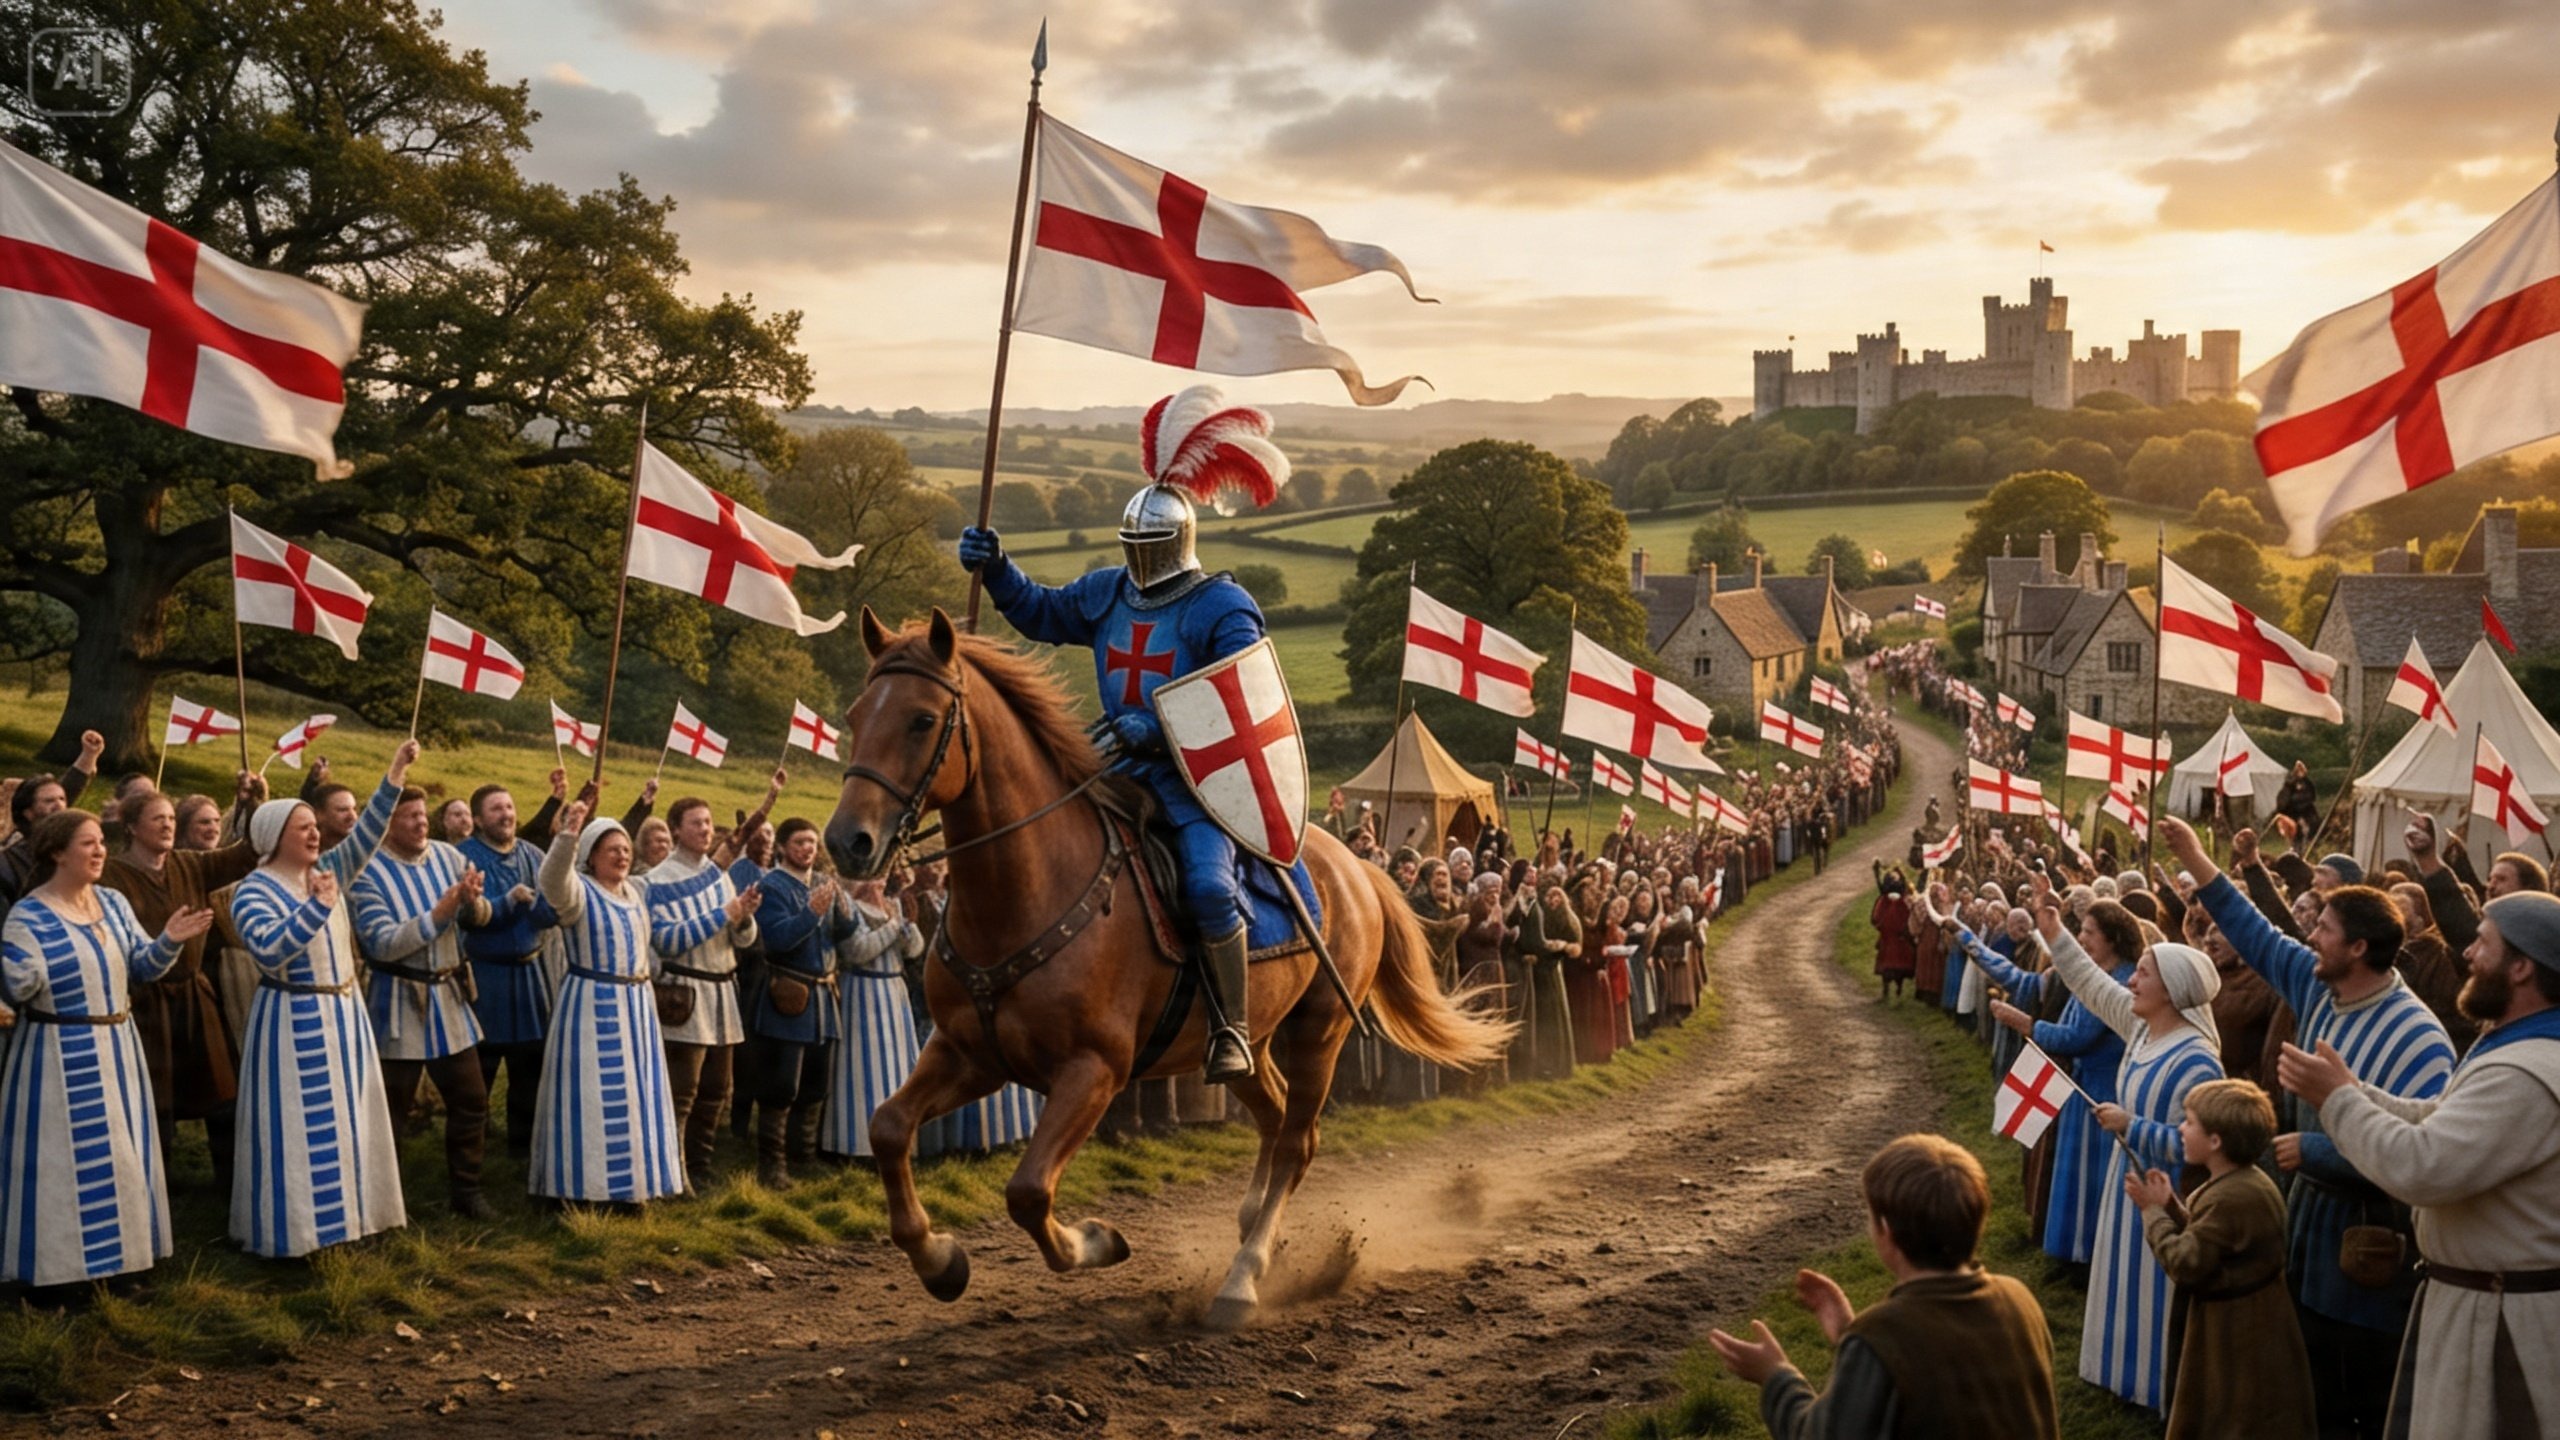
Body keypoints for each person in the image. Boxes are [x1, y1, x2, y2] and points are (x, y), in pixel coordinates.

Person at [956, 385, 1308, 1084]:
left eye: (1151, 545)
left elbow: (1243, 701)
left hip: (1195, 784)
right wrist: (998, 571)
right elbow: (1040, 612)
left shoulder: (1222, 605)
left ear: (1179, 540)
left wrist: (1162, 730)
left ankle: (1231, 1029)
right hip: (1109, 764)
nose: (1141, 558)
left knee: (1207, 889)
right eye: (1133, 545)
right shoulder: (1107, 591)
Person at [2164, 815, 2456, 1439]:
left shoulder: (2420, 1040)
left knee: (2354, 1403)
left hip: (2366, 1266)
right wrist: (2195, 856)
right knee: (2307, 1395)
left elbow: (2425, 1158)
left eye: (2324, 929)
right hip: (2304, 1239)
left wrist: (2319, 1150)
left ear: (2358, 948)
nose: (2310, 937)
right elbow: (2258, 934)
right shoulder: (2321, 987)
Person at [2278, 890, 2560, 1440]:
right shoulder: (2514, 1050)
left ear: (2521, 967)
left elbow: (2421, 1167)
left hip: (2505, 1320)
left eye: (2483, 942)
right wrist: (2357, 1091)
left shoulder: (2524, 1075)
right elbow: (2438, 1118)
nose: (2468, 953)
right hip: (2483, 1302)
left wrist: (2338, 1100)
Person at [1708, 1134, 2059, 1440]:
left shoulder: (1883, 1336)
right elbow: (1948, 1382)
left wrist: (1774, 1376)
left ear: (1886, 1232)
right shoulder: (2018, 1298)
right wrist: (1850, 1334)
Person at [0, 810, 211, 1288]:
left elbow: (141, 966)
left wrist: (169, 940)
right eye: (88, 843)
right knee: (63, 1163)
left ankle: (120, 1263)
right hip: (56, 1058)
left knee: (120, 1156)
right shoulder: (29, 916)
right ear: (58, 852)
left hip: (117, 1049)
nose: (99, 851)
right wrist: (18, 974)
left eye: (101, 842)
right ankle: (58, 1275)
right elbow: (18, 984)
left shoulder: (112, 903)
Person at [2033, 897, 2225, 1412]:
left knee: (2151, 1287)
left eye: (2143, 974)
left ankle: (2152, 1387)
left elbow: (2199, 1145)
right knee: (2119, 1277)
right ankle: (2117, 1373)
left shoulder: (2198, 1059)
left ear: (2173, 991)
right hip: (2130, 1183)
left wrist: (2131, 1125)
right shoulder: (2141, 1027)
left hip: (2167, 1194)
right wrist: (2053, 932)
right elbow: (2090, 984)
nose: (2131, 982)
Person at [228, 740, 418, 1258]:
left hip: (344, 1015)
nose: (315, 834)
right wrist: (314, 909)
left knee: (351, 1116)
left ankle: (353, 1220)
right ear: (273, 837)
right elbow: (269, 950)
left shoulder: (328, 870)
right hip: (292, 1020)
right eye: (303, 828)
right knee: (300, 1126)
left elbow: (370, 831)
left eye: (315, 826)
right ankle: (300, 1235)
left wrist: (395, 771)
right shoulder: (253, 890)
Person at [99, 776, 263, 1202]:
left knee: (223, 1095)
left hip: (194, 993)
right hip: (144, 1001)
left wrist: (253, 805)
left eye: (172, 818)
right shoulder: (111, 876)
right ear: (131, 827)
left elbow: (246, 855)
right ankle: (153, 1194)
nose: (168, 825)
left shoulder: (190, 864)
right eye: (158, 818)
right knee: (156, 1103)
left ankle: (232, 1190)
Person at [532, 802, 701, 1206]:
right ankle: (583, 1189)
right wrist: (568, 836)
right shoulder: (578, 892)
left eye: (626, 849)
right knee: (593, 1098)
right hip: (590, 1008)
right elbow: (551, 882)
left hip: (637, 1009)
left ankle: (633, 1188)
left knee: (637, 1096)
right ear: (591, 856)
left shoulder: (635, 894)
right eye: (612, 849)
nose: (622, 855)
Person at [2128, 1078, 2316, 1439]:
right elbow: (2215, 1237)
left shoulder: (2230, 1197)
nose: (2181, 1129)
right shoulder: (2244, 1181)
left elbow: (2185, 1262)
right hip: (2255, 1320)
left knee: (2234, 1415)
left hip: (2236, 1334)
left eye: (2190, 1122)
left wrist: (2152, 1213)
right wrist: (2170, 1206)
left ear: (2215, 1141)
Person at [350, 787, 495, 1218]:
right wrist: (440, 914)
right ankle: (383, 1204)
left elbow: (480, 915)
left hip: (449, 998)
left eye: (422, 814)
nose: (421, 822)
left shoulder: (449, 857)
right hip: (396, 1001)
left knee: (472, 1099)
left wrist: (471, 904)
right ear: (386, 824)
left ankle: (467, 1191)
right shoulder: (366, 873)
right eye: (408, 816)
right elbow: (381, 942)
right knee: (391, 1111)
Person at [645, 787, 773, 1183]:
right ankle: (673, 1171)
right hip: (684, 993)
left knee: (717, 1089)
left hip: (722, 991)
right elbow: (667, 941)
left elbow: (743, 940)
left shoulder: (719, 877)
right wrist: (725, 914)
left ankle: (700, 1167)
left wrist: (744, 917)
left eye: (708, 822)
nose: (705, 829)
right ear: (676, 829)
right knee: (682, 1092)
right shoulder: (655, 881)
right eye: (696, 823)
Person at [456, 783, 559, 1159]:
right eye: (496, 809)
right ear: (478, 820)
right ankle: (473, 1146)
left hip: (530, 977)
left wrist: (544, 907)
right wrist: (508, 901)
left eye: (510, 807)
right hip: (487, 976)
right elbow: (469, 917)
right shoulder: (463, 857)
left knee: (529, 1067)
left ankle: (523, 1148)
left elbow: (551, 908)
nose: (506, 815)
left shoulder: (533, 855)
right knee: (480, 1071)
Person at [742, 818, 846, 1189]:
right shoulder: (772, 885)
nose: (808, 849)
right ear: (783, 847)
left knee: (817, 1083)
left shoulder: (821, 883)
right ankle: (772, 1165)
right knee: (781, 1084)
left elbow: (840, 935)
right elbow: (777, 939)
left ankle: (804, 1157)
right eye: (800, 842)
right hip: (787, 995)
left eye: (812, 843)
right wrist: (811, 914)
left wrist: (844, 905)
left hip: (823, 996)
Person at [823, 873, 925, 1162]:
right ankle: (856, 1145)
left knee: (896, 1070)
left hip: (894, 993)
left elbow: (914, 950)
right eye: (874, 878)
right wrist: (894, 926)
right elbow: (857, 950)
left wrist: (910, 925)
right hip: (862, 993)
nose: (879, 884)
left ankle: (897, 1142)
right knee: (861, 1067)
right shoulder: (848, 906)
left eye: (882, 877)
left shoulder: (893, 905)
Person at [0, 730, 105, 909]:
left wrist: (89, 755)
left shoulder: (67, 843)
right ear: (28, 813)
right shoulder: (13, 859)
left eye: (62, 800)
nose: (59, 805)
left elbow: (68, 789)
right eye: (49, 801)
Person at [1870, 865, 1916, 1001]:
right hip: (1890, 939)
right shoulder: (1886, 900)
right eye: (1892, 877)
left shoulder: (1900, 901)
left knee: (1897, 966)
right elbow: (1877, 918)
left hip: (1896, 939)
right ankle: (1888, 991)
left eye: (1896, 877)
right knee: (1889, 966)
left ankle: (1896, 991)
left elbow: (1906, 918)